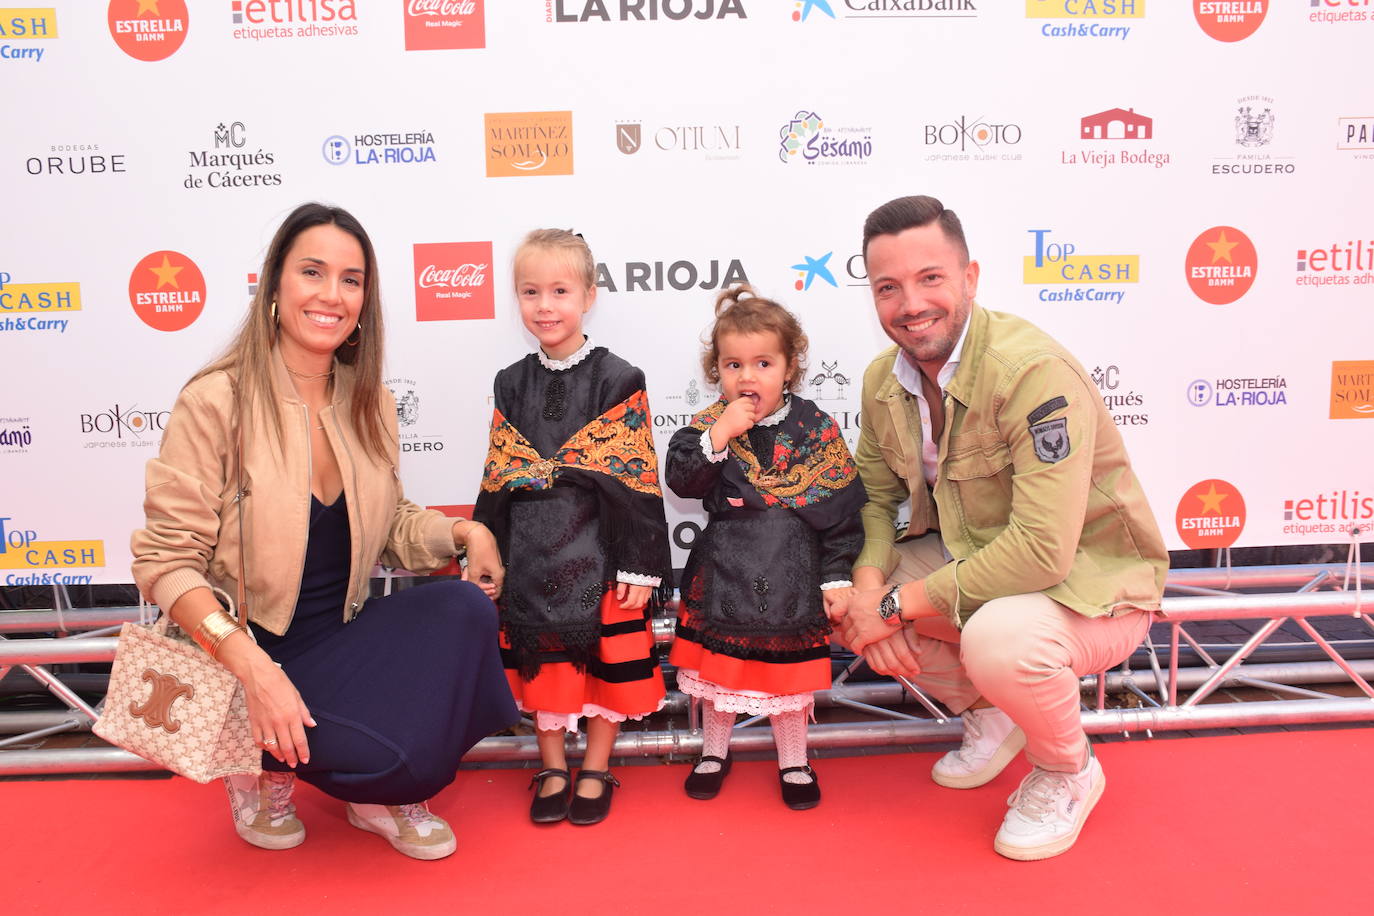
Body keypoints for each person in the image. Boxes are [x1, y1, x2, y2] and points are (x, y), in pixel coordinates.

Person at [130, 202, 517, 861]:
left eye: (351, 279)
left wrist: (463, 533)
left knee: (460, 608)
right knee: (387, 755)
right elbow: (167, 560)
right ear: (274, 284)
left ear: (364, 300)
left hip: (337, 642)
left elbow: (389, 523)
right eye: (313, 272)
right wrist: (252, 667)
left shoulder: (368, 400)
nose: (331, 295)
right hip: (241, 656)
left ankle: (362, 786)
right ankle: (255, 763)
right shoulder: (216, 400)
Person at [830, 195, 1168, 860]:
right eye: (888, 287)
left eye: (931, 278)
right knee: (843, 594)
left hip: (1094, 587)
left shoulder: (1030, 373)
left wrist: (894, 609)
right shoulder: (882, 380)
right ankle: (990, 710)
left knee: (998, 636)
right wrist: (869, 595)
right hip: (981, 564)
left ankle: (1068, 769)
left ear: (970, 278)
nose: (910, 304)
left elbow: (1042, 553)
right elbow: (873, 502)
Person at [473, 229, 672, 826]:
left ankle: (597, 765)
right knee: (543, 666)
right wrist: (486, 548)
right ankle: (553, 764)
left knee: (607, 664)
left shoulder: (619, 377)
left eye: (560, 290)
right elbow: (499, 471)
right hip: (531, 549)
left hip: (602, 548)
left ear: (589, 295)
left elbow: (636, 477)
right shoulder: (510, 381)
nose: (545, 305)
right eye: (530, 292)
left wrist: (640, 563)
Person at [666, 285, 865, 810]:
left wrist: (837, 575)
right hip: (723, 575)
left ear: (790, 366)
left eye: (762, 363)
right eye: (733, 364)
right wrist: (719, 435)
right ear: (716, 370)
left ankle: (794, 759)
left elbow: (842, 515)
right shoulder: (708, 425)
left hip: (792, 576)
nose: (747, 376)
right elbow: (683, 480)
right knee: (717, 675)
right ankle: (714, 751)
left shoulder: (816, 428)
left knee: (786, 686)